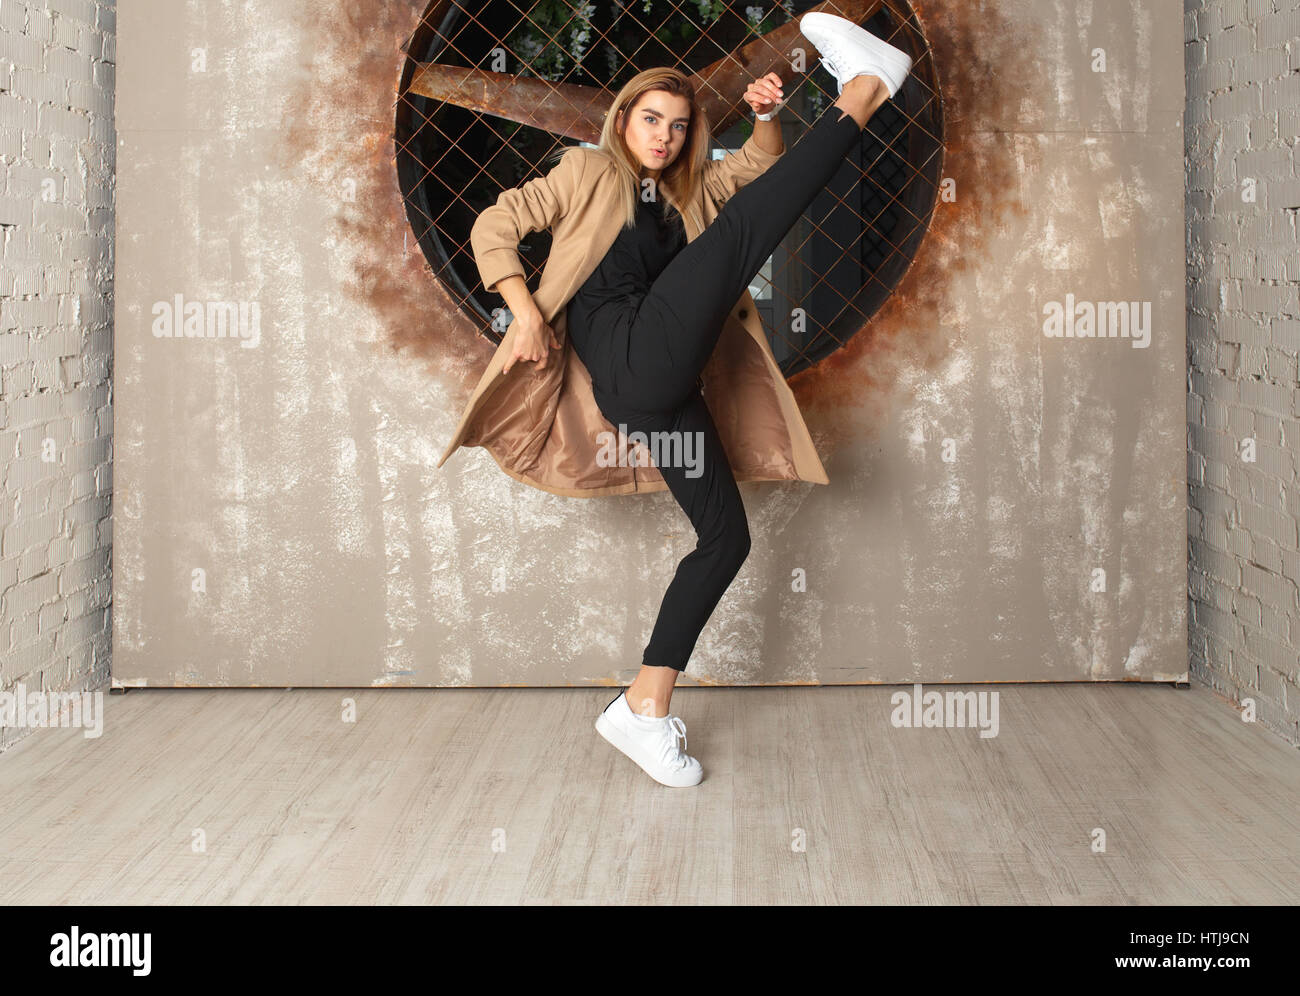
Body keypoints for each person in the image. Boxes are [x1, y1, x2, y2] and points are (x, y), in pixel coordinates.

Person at [481, 12, 913, 787]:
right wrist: (524, 310)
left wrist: (769, 117)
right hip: (627, 358)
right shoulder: (586, 176)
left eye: (680, 127)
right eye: (651, 120)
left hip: (659, 392)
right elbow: (496, 224)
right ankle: (866, 88)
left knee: (725, 540)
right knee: (746, 233)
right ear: (623, 120)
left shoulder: (688, 192)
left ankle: (642, 707)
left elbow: (755, 170)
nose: (664, 137)